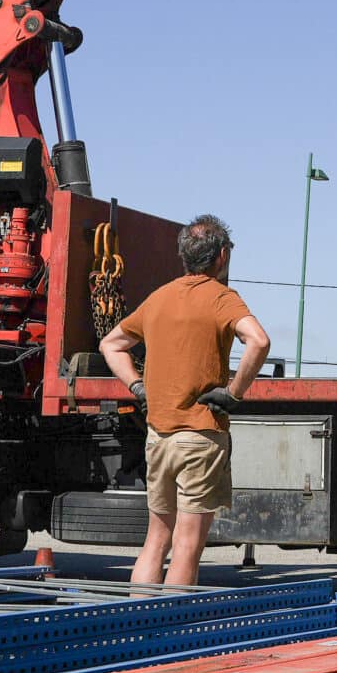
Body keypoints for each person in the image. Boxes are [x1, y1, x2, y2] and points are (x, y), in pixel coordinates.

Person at [99, 214, 270, 585]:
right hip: (200, 435)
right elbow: (258, 340)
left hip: (158, 435)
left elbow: (110, 344)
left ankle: (138, 624)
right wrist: (234, 393)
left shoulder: (159, 298)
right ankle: (172, 631)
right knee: (188, 543)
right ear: (222, 256)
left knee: (156, 540)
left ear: (183, 256)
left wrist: (138, 386)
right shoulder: (222, 298)